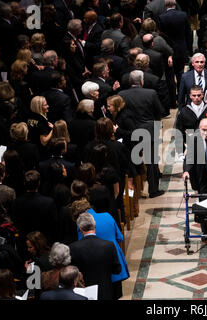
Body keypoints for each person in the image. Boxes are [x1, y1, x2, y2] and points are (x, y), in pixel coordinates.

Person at [118, 70, 164, 198]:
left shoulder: (122, 94)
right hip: (149, 129)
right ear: (142, 81)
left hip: (130, 131)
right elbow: (159, 111)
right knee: (151, 161)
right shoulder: (151, 93)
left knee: (133, 159)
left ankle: (136, 191)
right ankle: (153, 190)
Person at [69, 212, 122, 300]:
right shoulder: (109, 245)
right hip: (106, 290)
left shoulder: (73, 248)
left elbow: (73, 274)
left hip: (84, 292)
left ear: (80, 228)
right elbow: (117, 270)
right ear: (95, 225)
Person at [26, 96, 53, 160]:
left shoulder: (30, 116)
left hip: (32, 149)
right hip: (42, 153)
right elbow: (44, 141)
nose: (48, 106)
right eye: (45, 105)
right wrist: (53, 129)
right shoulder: (41, 121)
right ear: (39, 107)